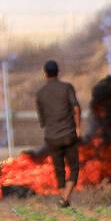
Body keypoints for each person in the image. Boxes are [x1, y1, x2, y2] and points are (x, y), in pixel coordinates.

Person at [35, 59, 82, 208]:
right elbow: (76, 108)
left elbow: (42, 120)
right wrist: (78, 127)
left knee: (59, 170)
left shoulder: (40, 93)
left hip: (51, 136)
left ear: (45, 74)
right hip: (68, 134)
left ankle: (64, 199)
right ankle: (65, 197)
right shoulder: (67, 87)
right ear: (58, 72)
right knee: (74, 168)